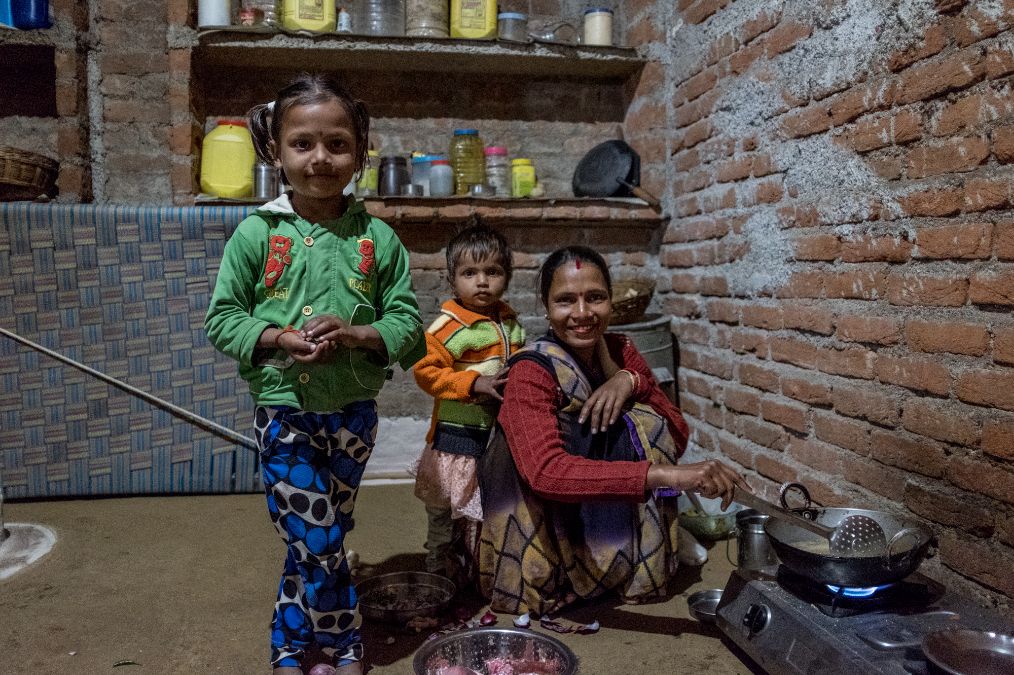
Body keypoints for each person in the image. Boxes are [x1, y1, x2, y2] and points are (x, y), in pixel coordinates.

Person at [204, 74, 425, 675]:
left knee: (314, 542)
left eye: (337, 144)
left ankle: (290, 645)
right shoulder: (257, 235)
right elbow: (222, 320)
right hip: (284, 415)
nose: (321, 159)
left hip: (355, 415)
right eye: (303, 144)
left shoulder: (378, 240)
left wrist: (357, 334)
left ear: (361, 150)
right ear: (276, 151)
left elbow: (407, 320)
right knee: (322, 541)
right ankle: (345, 642)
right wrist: (277, 337)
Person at [477, 246, 748, 617]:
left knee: (646, 420)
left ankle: (621, 559)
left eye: (596, 298)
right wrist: (665, 476)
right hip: (550, 523)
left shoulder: (621, 350)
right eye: (566, 300)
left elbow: (675, 433)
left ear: (611, 300)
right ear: (545, 306)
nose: (583, 313)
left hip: (608, 509)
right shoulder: (531, 370)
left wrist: (627, 380)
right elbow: (545, 471)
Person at [413, 225, 526, 580]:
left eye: (492, 272)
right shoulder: (448, 327)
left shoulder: (510, 323)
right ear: (452, 280)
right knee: (444, 510)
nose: (481, 282)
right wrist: (475, 382)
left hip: (493, 435)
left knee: (482, 507)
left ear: (507, 277)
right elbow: (424, 371)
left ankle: (475, 566)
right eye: (469, 273)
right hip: (455, 438)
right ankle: (437, 568)